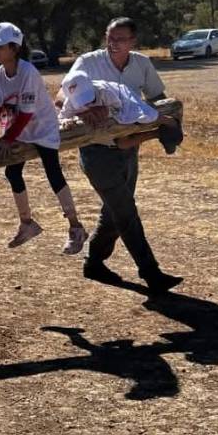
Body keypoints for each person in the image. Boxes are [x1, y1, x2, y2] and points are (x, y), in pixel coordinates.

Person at [66, 17, 183, 295]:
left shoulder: (142, 64)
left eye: (120, 39)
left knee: (114, 213)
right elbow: (62, 97)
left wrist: (165, 122)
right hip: (96, 152)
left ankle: (94, 263)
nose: (113, 43)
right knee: (126, 212)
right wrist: (85, 109)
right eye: (110, 37)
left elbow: (159, 99)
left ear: (133, 41)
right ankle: (151, 273)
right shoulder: (87, 63)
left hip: (129, 150)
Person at [0, 22, 88, 254]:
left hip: (42, 128)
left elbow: (27, 113)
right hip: (19, 130)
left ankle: (76, 227)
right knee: (12, 172)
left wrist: (8, 139)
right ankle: (27, 223)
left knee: (53, 174)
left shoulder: (27, 71)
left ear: (14, 48)